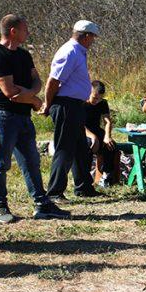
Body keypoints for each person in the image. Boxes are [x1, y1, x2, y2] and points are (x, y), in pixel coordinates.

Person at [0, 14, 69, 223]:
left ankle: (42, 204)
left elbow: (37, 81)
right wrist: (35, 100)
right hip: (3, 117)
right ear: (13, 31)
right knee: (0, 163)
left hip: (23, 117)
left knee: (31, 162)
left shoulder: (23, 55)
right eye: (25, 29)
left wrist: (30, 94)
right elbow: (10, 92)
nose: (28, 33)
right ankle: (0, 206)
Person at [42, 20, 101, 201]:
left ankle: (83, 187)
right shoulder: (70, 52)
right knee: (65, 149)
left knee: (80, 148)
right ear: (86, 36)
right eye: (93, 37)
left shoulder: (78, 51)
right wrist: (47, 104)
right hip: (66, 105)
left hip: (75, 105)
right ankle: (54, 192)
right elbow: (53, 81)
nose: (93, 41)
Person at [84, 81, 120, 188]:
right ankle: (86, 176)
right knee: (89, 144)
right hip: (83, 131)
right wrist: (93, 137)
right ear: (89, 92)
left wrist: (107, 136)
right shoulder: (82, 103)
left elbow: (107, 122)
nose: (97, 101)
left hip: (96, 130)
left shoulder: (103, 103)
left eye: (100, 98)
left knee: (111, 145)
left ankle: (106, 176)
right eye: (95, 98)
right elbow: (79, 124)